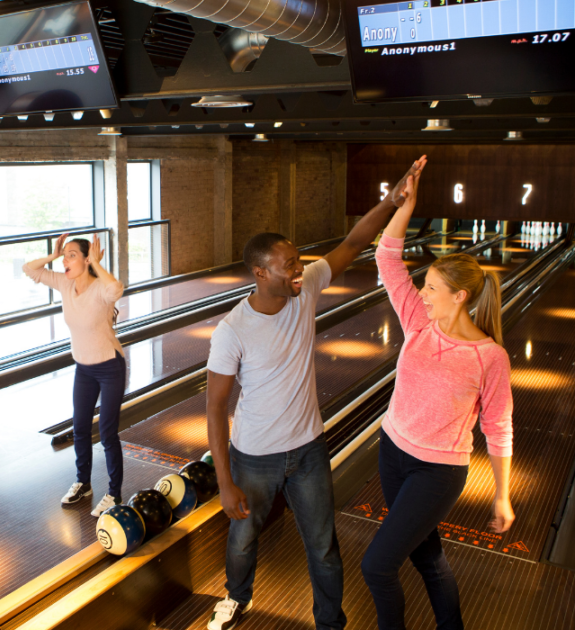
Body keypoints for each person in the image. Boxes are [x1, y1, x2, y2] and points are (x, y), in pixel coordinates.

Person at [204, 160, 425, 630]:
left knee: (322, 545)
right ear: (261, 274)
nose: (300, 271)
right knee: (242, 539)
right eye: (289, 267)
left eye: (300, 262)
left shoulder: (304, 291)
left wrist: (389, 202)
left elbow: (351, 244)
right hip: (255, 457)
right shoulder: (232, 331)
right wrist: (224, 481)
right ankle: (235, 597)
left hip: (308, 448)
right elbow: (216, 406)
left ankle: (330, 622)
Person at [362, 159, 514, 629]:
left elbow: (498, 427)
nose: (421, 294)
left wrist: (502, 496)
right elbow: (387, 257)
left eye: (431, 288)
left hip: (438, 471)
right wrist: (406, 204)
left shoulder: (490, 357)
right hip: (392, 451)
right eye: (423, 287)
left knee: (377, 565)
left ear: (460, 296)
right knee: (427, 559)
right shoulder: (417, 323)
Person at [23, 234, 125, 517]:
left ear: (86, 259)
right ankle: (84, 483)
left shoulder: (100, 289)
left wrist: (97, 264)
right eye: (65, 255)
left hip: (109, 366)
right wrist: (53, 256)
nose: (66, 260)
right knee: (80, 428)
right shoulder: (65, 284)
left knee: (107, 432)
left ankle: (114, 494)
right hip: (84, 368)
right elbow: (29, 269)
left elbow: (116, 289)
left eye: (72, 255)